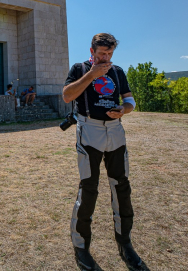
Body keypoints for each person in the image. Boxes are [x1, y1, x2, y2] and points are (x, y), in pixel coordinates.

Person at [62, 33, 146, 271]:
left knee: (121, 186)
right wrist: (92, 74)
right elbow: (67, 95)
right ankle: (81, 247)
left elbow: (130, 100)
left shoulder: (118, 72)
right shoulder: (80, 68)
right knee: (89, 188)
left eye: (109, 54)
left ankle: (124, 242)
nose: (106, 58)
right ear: (92, 51)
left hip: (115, 131)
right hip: (89, 130)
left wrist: (124, 109)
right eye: (101, 54)